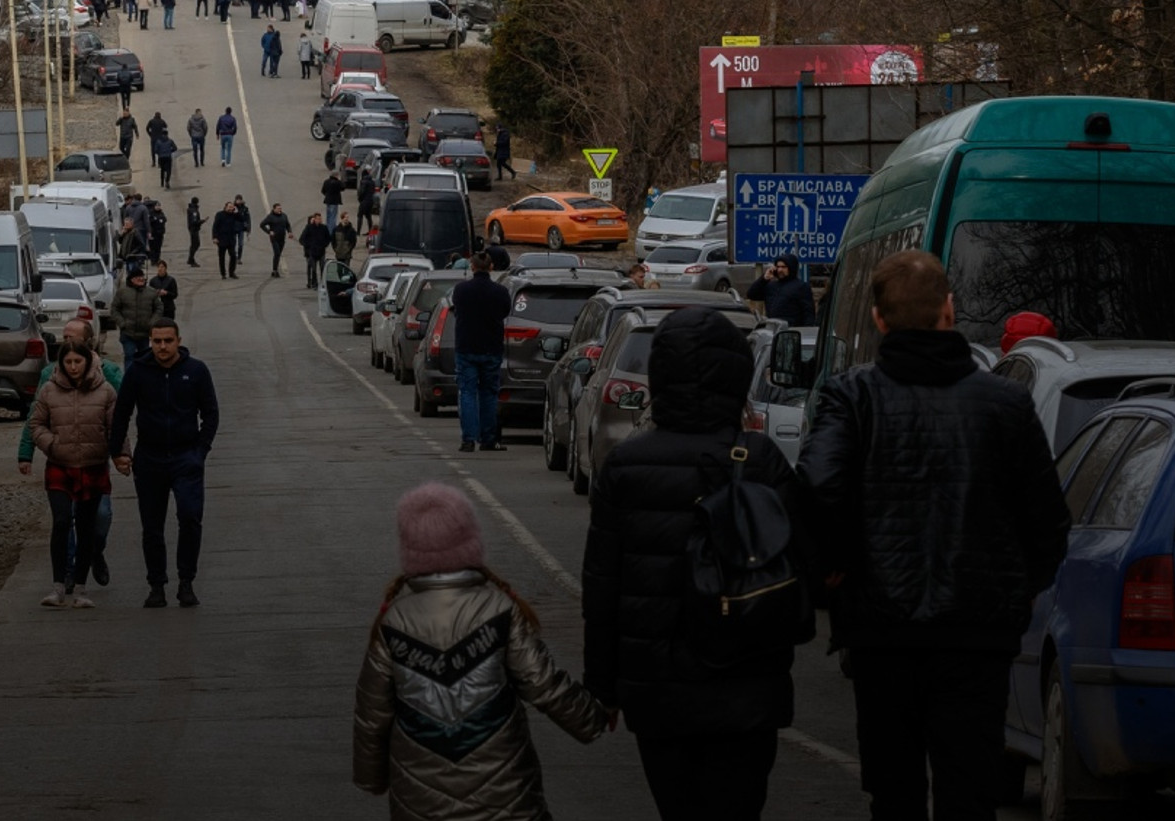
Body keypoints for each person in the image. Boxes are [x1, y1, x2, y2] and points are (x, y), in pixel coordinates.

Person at [799, 250, 1069, 821]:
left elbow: (819, 488)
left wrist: (834, 572)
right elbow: (1047, 518)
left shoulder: (853, 397)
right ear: (950, 309)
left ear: (878, 319)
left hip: (880, 632)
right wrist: (1018, 589)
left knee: (893, 791)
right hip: (976, 635)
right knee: (968, 790)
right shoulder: (1005, 403)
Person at [582, 306, 813, 820]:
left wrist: (602, 684)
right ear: (734, 375)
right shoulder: (761, 458)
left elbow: (602, 585)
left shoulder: (626, 465)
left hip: (657, 687)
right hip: (747, 681)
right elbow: (800, 563)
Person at [354, 482, 607, 816]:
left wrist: (372, 777)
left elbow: (372, 715)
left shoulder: (393, 621)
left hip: (420, 800)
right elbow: (542, 683)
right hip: (506, 796)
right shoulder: (500, 608)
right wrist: (593, 718)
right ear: (469, 541)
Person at [109, 319, 218, 609]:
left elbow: (210, 413)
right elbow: (121, 413)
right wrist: (117, 452)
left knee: (190, 517)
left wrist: (200, 451)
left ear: (178, 340)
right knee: (152, 526)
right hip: (150, 458)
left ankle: (186, 582)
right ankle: (156, 585)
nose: (162, 347)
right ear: (150, 341)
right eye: (157, 341)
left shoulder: (195, 371)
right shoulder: (138, 372)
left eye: (168, 341)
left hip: (186, 458)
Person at [17, 319, 124, 593]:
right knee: (64, 519)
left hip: (93, 461)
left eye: (72, 337)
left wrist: (120, 455)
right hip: (62, 461)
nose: (66, 341)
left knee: (99, 520)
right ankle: (67, 573)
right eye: (64, 337)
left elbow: (119, 412)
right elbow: (35, 417)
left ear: (88, 345)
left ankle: (94, 552)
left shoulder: (108, 372)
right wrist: (34, 449)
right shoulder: (50, 376)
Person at [449, 251, 511, 453]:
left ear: (472, 267)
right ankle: (488, 439)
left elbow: (456, 310)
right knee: (489, 394)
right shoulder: (500, 291)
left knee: (467, 392)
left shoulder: (461, 290)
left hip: (466, 347)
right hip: (491, 348)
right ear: (491, 267)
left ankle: (468, 439)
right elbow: (504, 312)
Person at [109, 266, 163, 365]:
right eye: (138, 277)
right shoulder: (122, 292)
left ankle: (143, 379)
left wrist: (152, 322)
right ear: (131, 279)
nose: (141, 279)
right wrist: (122, 323)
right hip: (128, 334)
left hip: (145, 334)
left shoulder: (151, 292)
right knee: (129, 358)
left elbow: (159, 308)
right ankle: (130, 379)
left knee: (144, 359)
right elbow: (114, 309)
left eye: (142, 277)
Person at [745, 253, 815, 326]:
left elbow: (808, 313)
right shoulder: (771, 286)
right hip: (772, 328)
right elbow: (752, 294)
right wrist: (764, 279)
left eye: (784, 267)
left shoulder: (801, 287)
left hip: (792, 329)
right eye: (778, 267)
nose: (780, 270)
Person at [298, 212, 331, 288]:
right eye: (318, 219)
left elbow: (328, 238)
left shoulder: (324, 228)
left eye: (320, 218)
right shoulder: (309, 228)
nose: (319, 220)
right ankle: (314, 283)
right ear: (315, 219)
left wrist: (324, 245)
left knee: (322, 268)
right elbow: (302, 239)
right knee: (313, 269)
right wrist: (309, 246)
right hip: (312, 252)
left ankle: (323, 282)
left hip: (321, 251)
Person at [259, 203, 292, 278]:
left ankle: (275, 269)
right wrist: (269, 232)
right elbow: (262, 225)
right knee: (277, 253)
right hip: (274, 238)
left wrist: (289, 232)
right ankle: (275, 270)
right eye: (278, 208)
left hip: (282, 237)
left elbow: (287, 225)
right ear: (274, 209)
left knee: (278, 254)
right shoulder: (270, 217)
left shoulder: (284, 216)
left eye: (280, 208)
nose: (279, 210)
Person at [211, 201, 241, 279]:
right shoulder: (220, 215)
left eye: (232, 207)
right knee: (222, 257)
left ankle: (232, 272)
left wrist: (237, 211)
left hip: (231, 239)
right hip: (221, 239)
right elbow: (215, 226)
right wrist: (214, 237)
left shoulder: (234, 215)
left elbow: (242, 219)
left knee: (233, 256)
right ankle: (223, 274)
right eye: (229, 207)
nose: (231, 208)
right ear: (225, 207)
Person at [185, 197, 205, 267]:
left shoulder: (191, 209)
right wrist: (201, 221)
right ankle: (191, 259)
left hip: (192, 228)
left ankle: (191, 259)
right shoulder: (194, 211)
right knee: (196, 244)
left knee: (194, 244)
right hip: (194, 229)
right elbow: (194, 221)